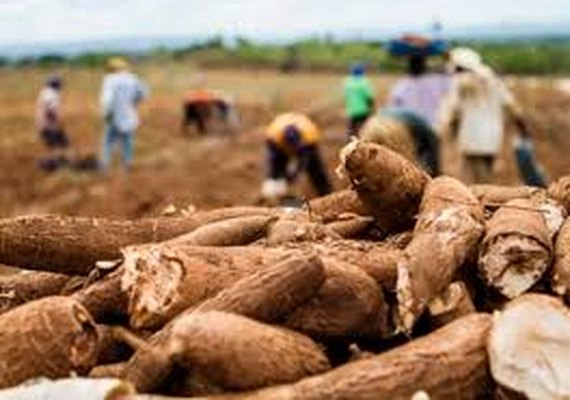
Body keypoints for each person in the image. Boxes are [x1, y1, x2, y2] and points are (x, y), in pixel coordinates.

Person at [439, 47, 544, 185]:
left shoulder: (462, 84)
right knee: (486, 178)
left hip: (471, 138)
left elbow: (453, 111)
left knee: (472, 184)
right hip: (492, 139)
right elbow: (512, 107)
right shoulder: (493, 80)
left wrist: (447, 130)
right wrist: (523, 131)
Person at [262, 113, 332, 203]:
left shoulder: (310, 135)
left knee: (315, 169)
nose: (291, 150)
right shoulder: (274, 135)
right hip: (279, 146)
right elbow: (273, 159)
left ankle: (326, 194)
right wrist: (280, 177)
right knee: (276, 167)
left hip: (305, 146)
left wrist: (295, 174)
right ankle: (276, 196)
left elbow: (304, 160)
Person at [99, 57, 148, 171]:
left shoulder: (110, 79)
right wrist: (133, 103)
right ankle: (127, 165)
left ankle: (104, 166)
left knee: (108, 142)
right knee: (127, 142)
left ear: (111, 68)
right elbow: (144, 93)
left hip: (114, 115)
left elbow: (107, 99)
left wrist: (106, 113)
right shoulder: (133, 78)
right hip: (128, 114)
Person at [35, 75, 70, 171]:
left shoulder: (44, 92)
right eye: (60, 84)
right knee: (63, 143)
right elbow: (51, 111)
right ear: (56, 85)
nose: (61, 86)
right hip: (48, 124)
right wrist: (57, 124)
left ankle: (53, 163)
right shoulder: (53, 95)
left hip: (40, 124)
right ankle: (56, 164)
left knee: (53, 145)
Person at [343, 63, 375, 138]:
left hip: (352, 109)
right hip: (363, 110)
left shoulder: (347, 82)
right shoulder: (364, 82)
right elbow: (369, 97)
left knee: (352, 128)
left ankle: (350, 141)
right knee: (365, 127)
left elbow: (347, 97)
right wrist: (371, 107)